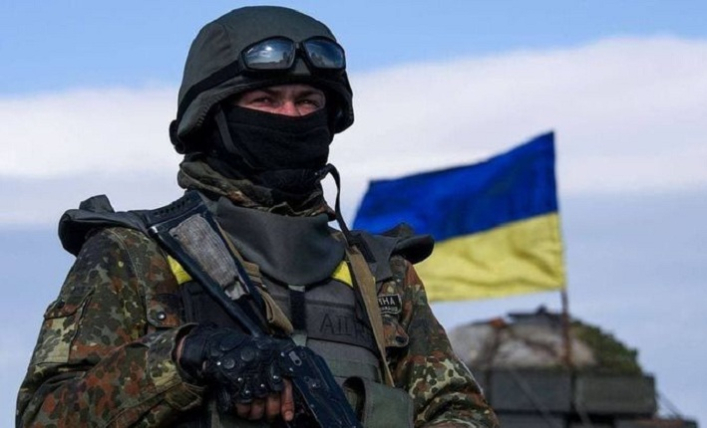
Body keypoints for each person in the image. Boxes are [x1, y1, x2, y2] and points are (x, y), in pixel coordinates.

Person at [16, 6, 499, 428]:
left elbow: (462, 412)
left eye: (308, 101)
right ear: (212, 117)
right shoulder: (137, 254)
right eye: (265, 100)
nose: (290, 115)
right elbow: (45, 414)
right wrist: (189, 355)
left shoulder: (380, 275)